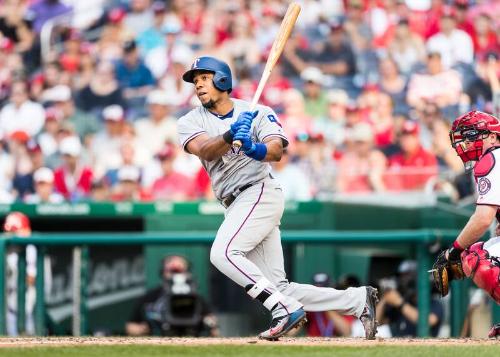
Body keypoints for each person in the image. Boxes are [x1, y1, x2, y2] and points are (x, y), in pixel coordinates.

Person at [177, 56, 378, 340]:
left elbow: (276, 151)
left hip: (259, 191)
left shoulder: (257, 112)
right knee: (277, 286)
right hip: (235, 203)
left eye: (204, 78)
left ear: (222, 79)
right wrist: (231, 133)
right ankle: (356, 300)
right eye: (195, 81)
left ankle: (283, 310)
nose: (198, 85)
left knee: (222, 253)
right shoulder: (189, 121)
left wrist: (253, 147)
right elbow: (206, 150)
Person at [433, 110, 500, 338]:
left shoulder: (492, 158)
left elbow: (482, 219)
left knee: (476, 257)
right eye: (466, 137)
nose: (468, 143)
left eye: (473, 136)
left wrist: (453, 250)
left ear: (492, 136)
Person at [126, 255, 218, 337]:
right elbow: (130, 326)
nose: (176, 275)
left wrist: (210, 325)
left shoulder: (196, 298)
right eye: (172, 271)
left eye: (179, 271)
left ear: (187, 273)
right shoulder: (150, 297)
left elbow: (213, 325)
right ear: (163, 273)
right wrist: (144, 329)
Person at [376, 260, 444, 337]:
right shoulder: (401, 301)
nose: (403, 280)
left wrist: (400, 303)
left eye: (406, 276)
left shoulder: (434, 303)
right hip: (400, 346)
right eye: (402, 277)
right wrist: (384, 299)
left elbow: (428, 321)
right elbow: (376, 324)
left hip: (423, 346)